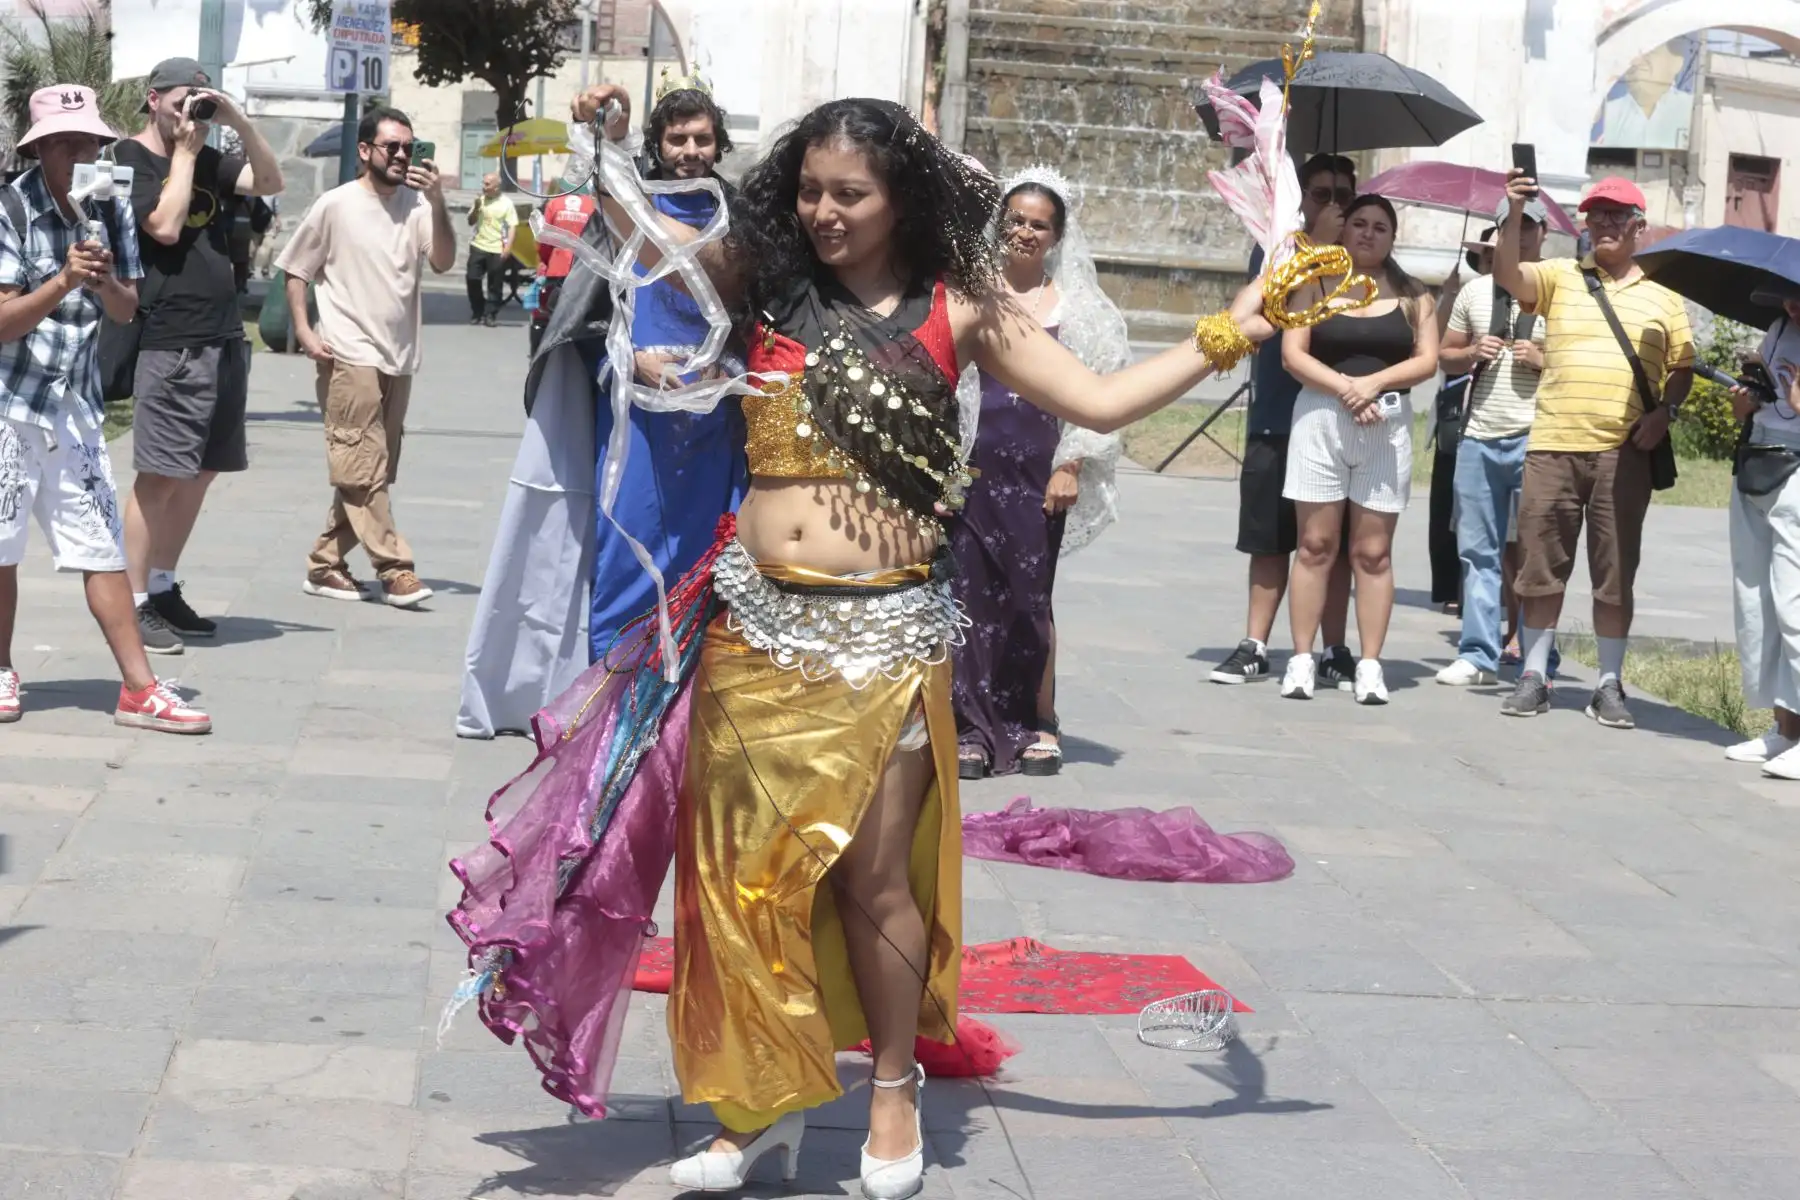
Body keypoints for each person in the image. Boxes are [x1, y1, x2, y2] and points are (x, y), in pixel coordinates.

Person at [445, 84, 1275, 1200]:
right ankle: (758, 1105)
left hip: (885, 637)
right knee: (738, 882)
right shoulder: (767, 281)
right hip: (753, 629)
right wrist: (600, 154)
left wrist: (1245, 321)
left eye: (852, 194)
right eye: (810, 191)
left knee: (876, 884)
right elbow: (651, 244)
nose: (825, 211)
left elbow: (1104, 397)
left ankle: (891, 1088)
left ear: (902, 197)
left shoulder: (959, 307)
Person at [457, 76, 744, 738]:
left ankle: (689, 701)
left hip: (712, 422)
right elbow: (592, 311)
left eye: (703, 138)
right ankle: (605, 703)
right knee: (627, 556)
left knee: (708, 561)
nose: (692, 149)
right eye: (678, 137)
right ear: (660, 143)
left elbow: (752, 312)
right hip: (636, 421)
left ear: (718, 143)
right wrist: (632, 359)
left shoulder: (741, 215)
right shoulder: (623, 206)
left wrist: (724, 368)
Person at [0, 84, 210, 733]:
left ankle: (139, 688)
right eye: (66, 142)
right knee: (1, 548)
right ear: (41, 148)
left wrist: (102, 280)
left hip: (72, 402)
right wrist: (61, 281)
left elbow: (126, 309)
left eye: (89, 140)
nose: (81, 152)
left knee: (101, 547)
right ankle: (1, 666)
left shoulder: (107, 200)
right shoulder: (10, 208)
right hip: (8, 402)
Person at [1493, 173, 1693, 728]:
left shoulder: (1663, 296)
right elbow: (1509, 276)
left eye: (1615, 215)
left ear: (1637, 226)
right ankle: (1534, 674)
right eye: (1595, 215)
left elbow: (1683, 367)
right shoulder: (1560, 276)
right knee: (1538, 569)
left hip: (1623, 453)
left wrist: (1664, 414)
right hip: (1554, 446)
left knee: (1614, 572)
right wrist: (1515, 212)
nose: (1604, 224)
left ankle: (1608, 683)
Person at [951, 167, 1126, 780]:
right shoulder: (967, 293)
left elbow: (1104, 387)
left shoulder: (1078, 308)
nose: (1025, 232)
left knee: (1031, 599)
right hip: (971, 466)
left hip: (1039, 468)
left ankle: (1035, 722)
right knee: (968, 594)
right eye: (1017, 220)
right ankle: (971, 726)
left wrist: (1070, 463)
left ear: (1057, 236)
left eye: (1039, 225)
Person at [114, 58, 283, 654]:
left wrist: (237, 117)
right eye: (185, 99)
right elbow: (162, 226)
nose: (193, 112)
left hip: (223, 334)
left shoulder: (210, 153)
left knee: (203, 470)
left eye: (203, 101)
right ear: (154, 98)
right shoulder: (126, 161)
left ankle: (161, 587)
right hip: (170, 338)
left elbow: (270, 183)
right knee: (159, 476)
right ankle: (131, 605)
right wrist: (184, 155)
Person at [277, 106, 455, 609]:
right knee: (362, 466)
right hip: (348, 351)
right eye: (391, 146)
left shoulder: (418, 208)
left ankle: (325, 564)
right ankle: (395, 569)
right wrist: (305, 330)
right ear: (365, 151)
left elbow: (442, 260)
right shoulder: (336, 205)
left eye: (408, 146)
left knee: (372, 469)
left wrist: (438, 201)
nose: (401, 155)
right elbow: (295, 270)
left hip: (398, 358)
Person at [1279, 193, 1440, 704]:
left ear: (1393, 238)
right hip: (1322, 418)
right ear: (1345, 231)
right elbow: (1292, 355)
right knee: (1315, 545)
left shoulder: (1416, 295)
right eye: (1360, 224)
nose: (1369, 234)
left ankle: (1370, 664)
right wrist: (1348, 388)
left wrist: (1374, 385)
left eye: (1381, 227)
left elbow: (1426, 361)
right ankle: (1302, 659)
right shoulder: (1315, 283)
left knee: (1372, 551)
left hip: (1385, 424)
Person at [1210, 152, 1356, 688]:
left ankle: (1334, 645)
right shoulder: (1277, 250)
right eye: (1322, 195)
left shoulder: (1359, 259)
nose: (1335, 206)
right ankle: (1255, 643)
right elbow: (1265, 308)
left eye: (1344, 196)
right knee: (1269, 539)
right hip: (1277, 415)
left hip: (1340, 423)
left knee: (1331, 545)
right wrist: (1311, 241)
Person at [1437, 199, 1551, 686]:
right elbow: (1444, 355)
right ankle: (1477, 653)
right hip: (1478, 435)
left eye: (1529, 227)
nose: (1520, 235)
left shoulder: (1561, 291)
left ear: (1544, 235)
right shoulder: (1475, 291)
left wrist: (1543, 360)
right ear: (1498, 235)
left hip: (1538, 435)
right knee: (1477, 551)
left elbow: (1584, 365)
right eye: (1511, 227)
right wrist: (1468, 353)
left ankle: (1537, 656)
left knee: (1537, 554)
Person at [1724, 282, 1800, 779]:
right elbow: (1758, 407)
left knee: (1794, 600)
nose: (1793, 303)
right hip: (1759, 461)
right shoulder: (1777, 329)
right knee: (1757, 598)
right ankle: (1785, 729)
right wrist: (1746, 399)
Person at [527, 190, 597, 356]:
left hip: (557, 269)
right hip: (584, 270)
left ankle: (538, 354)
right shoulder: (593, 205)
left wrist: (546, 261)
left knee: (544, 316)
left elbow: (544, 240)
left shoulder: (554, 204)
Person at [465, 172, 517, 326]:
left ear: (496, 186)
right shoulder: (480, 200)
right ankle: (477, 310)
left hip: (497, 248)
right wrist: (476, 209)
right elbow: (470, 221)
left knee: (495, 284)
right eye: (483, 183)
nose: (484, 187)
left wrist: (508, 248)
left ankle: (491, 314)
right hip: (478, 246)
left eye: (487, 184)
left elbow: (513, 226)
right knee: (472, 278)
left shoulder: (506, 203)